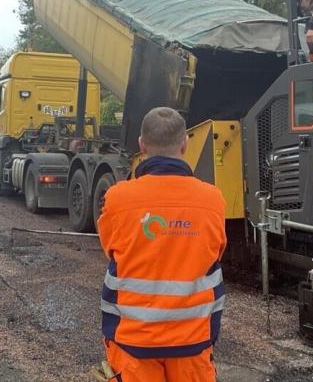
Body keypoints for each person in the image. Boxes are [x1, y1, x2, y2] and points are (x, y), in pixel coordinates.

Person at [97, 107, 227, 382]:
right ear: (185, 143)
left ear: (142, 145)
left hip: (132, 341)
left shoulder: (117, 199)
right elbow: (216, 253)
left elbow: (110, 249)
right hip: (194, 342)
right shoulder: (212, 200)